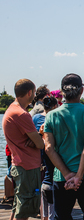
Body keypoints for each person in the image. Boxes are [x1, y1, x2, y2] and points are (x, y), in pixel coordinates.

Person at [44, 73, 84, 220]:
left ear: (62, 92)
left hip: (62, 178)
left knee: (62, 217)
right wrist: (79, 176)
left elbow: (49, 148)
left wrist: (67, 174)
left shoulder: (51, 115)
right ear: (81, 91)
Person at [2, 79, 45, 220]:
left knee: (19, 204)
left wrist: (33, 139)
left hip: (19, 163)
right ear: (29, 92)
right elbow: (40, 144)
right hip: (27, 167)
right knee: (25, 208)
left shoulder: (11, 110)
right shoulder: (21, 114)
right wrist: (42, 133)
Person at [32, 96, 58, 220]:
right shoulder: (55, 119)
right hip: (54, 181)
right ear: (55, 106)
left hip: (39, 164)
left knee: (44, 214)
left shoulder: (36, 118)